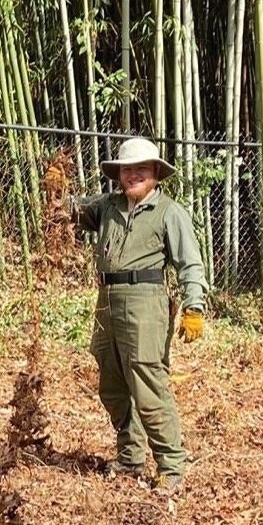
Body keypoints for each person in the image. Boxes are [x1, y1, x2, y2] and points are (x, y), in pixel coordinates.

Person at [71, 136, 207, 491]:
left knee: (148, 384)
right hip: (107, 299)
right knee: (112, 385)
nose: (133, 176)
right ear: (119, 174)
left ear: (156, 173)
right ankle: (130, 457)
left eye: (141, 170)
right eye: (127, 170)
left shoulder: (168, 213)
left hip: (146, 302)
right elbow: (73, 210)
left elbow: (189, 263)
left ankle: (171, 466)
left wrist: (194, 306)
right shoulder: (109, 206)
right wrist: (58, 191)